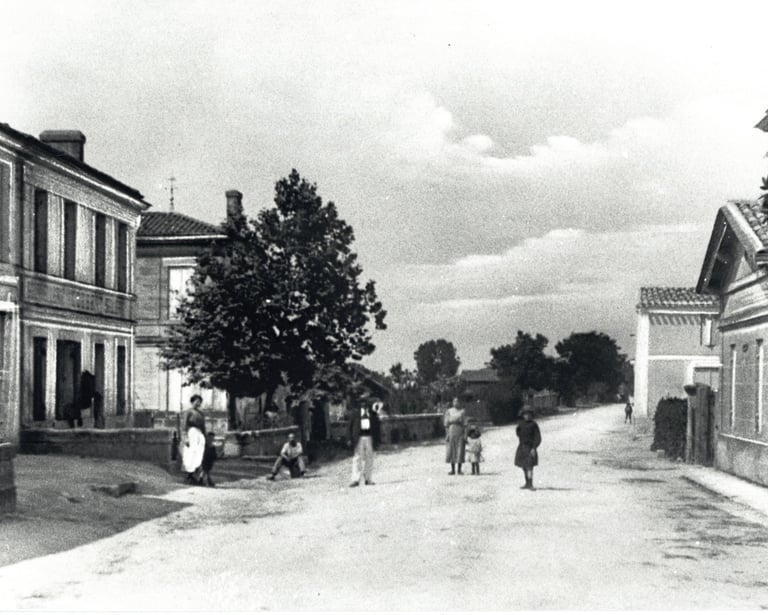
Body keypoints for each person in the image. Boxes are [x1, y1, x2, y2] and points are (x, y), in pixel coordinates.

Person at [347, 401, 381, 487]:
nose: (365, 406)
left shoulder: (373, 414)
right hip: (359, 438)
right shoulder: (355, 414)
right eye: (363, 404)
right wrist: (349, 439)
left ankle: (368, 479)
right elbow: (349, 427)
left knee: (370, 458)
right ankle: (355, 479)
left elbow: (377, 428)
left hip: (370, 437)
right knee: (357, 458)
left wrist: (377, 440)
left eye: (366, 404)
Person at [181, 395, 206, 484]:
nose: (198, 403)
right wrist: (185, 437)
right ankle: (189, 474)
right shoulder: (188, 412)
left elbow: (203, 426)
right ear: (192, 402)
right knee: (191, 453)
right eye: (196, 401)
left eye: (199, 401)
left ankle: (197, 474)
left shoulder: (201, 413)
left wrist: (204, 436)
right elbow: (184, 425)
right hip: (191, 433)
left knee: (199, 454)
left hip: (199, 434)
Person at [515, 408, 542, 490]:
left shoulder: (534, 425)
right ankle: (526, 483)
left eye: (529, 414)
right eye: (525, 414)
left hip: (530, 448)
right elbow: (518, 432)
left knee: (529, 466)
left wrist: (534, 447)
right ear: (523, 415)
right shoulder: (521, 424)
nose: (527, 416)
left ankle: (530, 484)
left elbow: (538, 437)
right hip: (522, 447)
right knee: (524, 466)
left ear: (531, 415)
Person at [444, 397, 467, 475]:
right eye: (454, 401)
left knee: (460, 449)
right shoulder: (449, 411)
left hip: (460, 431)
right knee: (451, 449)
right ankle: (452, 469)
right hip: (451, 431)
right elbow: (446, 424)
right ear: (452, 402)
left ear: (460, 403)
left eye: (457, 401)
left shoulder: (462, 412)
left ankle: (459, 470)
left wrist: (465, 435)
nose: (456, 403)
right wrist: (447, 434)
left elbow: (465, 424)